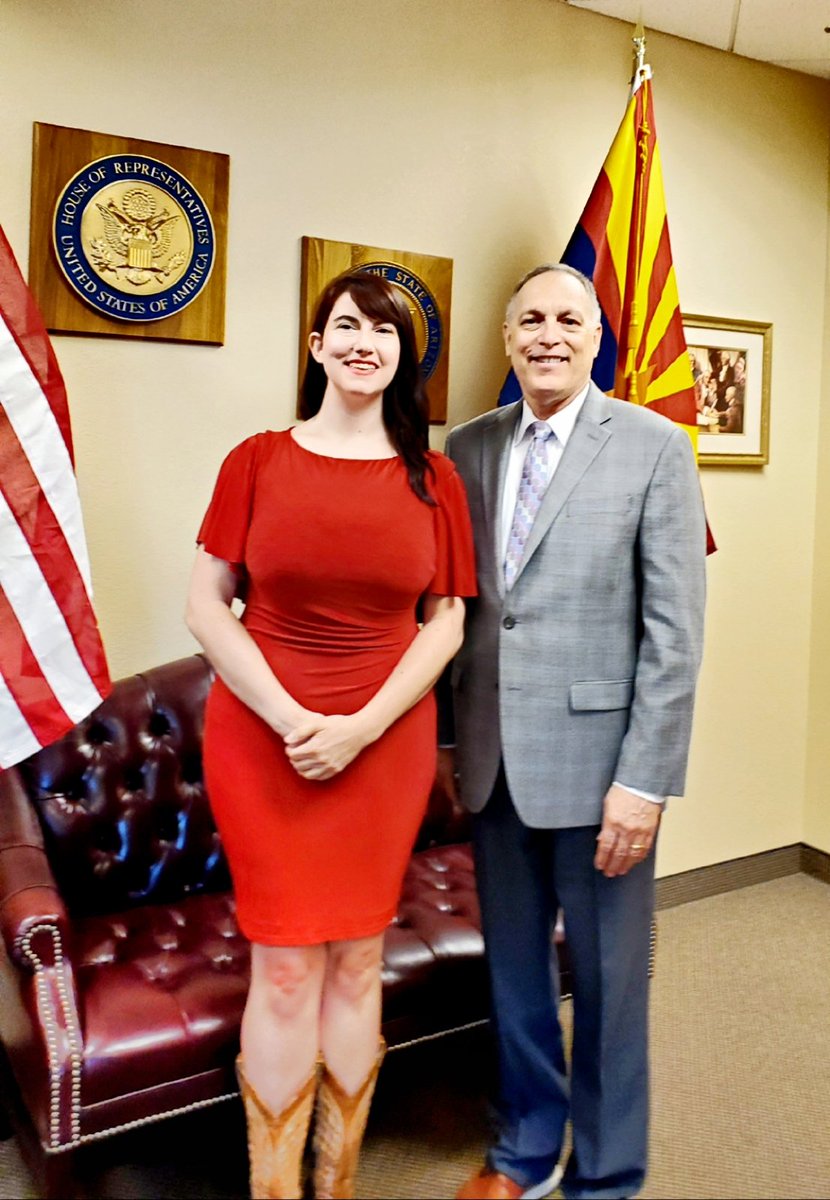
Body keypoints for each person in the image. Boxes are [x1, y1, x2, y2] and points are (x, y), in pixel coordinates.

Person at [186, 270, 476, 1200]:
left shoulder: (435, 479)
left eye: (384, 331)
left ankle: (336, 1184)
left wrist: (358, 730)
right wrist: (292, 719)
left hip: (383, 747)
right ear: (315, 346)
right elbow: (206, 606)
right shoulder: (255, 461)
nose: (364, 343)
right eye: (345, 325)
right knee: (281, 968)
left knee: (357, 958)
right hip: (261, 742)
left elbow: (447, 622)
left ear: (405, 355)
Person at [440, 264, 706, 1200]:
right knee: (513, 983)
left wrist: (646, 781)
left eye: (568, 319)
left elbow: (674, 634)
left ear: (598, 337)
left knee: (607, 990)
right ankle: (522, 1150)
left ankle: (605, 1175)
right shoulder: (464, 446)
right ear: (507, 338)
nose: (548, 335)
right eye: (530, 320)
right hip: (493, 765)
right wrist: (446, 748)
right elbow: (460, 609)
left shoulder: (655, 445)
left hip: (604, 775)